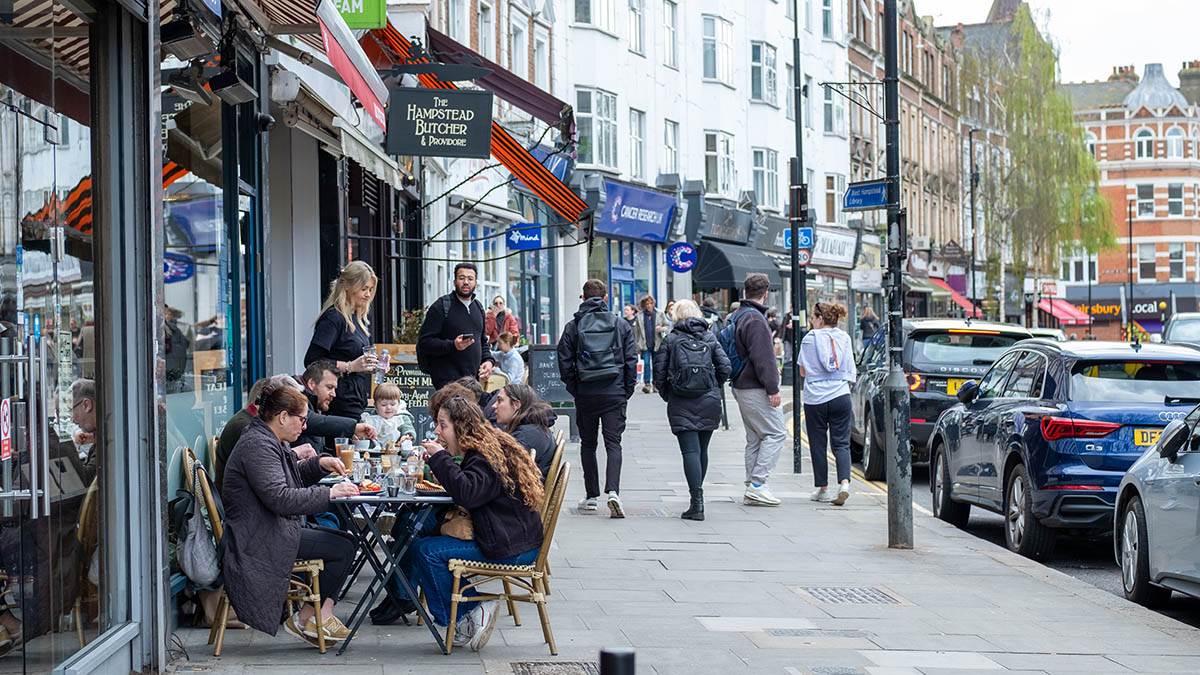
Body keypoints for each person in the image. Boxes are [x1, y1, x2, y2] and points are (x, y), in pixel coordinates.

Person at [220, 381, 361, 645]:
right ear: (283, 416)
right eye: (302, 420)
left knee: (346, 541)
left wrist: (319, 464)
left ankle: (313, 617)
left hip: (267, 529)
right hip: (256, 539)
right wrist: (329, 493)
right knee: (343, 547)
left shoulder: (268, 438)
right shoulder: (258, 446)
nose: (305, 426)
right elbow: (282, 499)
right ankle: (310, 618)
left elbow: (290, 478)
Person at [412, 393, 544, 652]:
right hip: (514, 537)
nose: (438, 431)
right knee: (424, 534)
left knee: (425, 551)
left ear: (461, 427)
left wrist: (440, 457)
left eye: (443, 425)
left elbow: (468, 494)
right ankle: (463, 615)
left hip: (512, 547)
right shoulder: (487, 445)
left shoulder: (484, 456)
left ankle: (469, 612)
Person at [557, 279, 637, 518]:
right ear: (605, 299)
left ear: (583, 298)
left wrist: (576, 388)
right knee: (613, 443)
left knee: (588, 444)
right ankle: (613, 492)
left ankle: (591, 496)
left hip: (586, 393)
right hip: (614, 392)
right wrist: (625, 391)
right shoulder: (621, 324)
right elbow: (631, 361)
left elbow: (564, 362)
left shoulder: (574, 326)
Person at [653, 299, 731, 521]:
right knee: (702, 450)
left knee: (690, 452)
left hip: (681, 400)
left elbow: (658, 374)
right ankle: (697, 500)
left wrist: (669, 394)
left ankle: (696, 503)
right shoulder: (709, 337)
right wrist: (713, 385)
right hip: (709, 400)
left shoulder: (671, 339)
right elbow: (726, 367)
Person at [729, 273, 787, 507]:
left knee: (754, 438)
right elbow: (763, 358)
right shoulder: (755, 320)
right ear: (765, 293)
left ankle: (751, 485)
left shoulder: (738, 315)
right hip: (754, 386)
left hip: (739, 384)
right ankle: (757, 484)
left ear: (745, 291)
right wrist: (773, 388)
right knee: (776, 433)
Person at [304, 261, 380, 420]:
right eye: (363, 288)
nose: (368, 294)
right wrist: (350, 366)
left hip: (356, 398)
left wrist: (370, 365)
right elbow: (312, 361)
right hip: (337, 400)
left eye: (371, 290)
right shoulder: (334, 318)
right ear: (347, 286)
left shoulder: (358, 319)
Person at [800, 302, 858, 506]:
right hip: (840, 395)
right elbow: (851, 368)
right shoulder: (844, 337)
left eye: (813, 318)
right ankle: (844, 484)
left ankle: (823, 489)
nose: (811, 322)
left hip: (815, 398)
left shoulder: (809, 339)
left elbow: (802, 371)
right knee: (842, 443)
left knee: (817, 443)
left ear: (820, 319)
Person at [216, 375, 316, 490]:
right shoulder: (249, 430)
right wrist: (295, 453)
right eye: (290, 403)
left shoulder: (257, 427)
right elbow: (275, 488)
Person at [417, 263, 496, 390]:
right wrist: (453, 345)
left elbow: (482, 342)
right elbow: (425, 343)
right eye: (461, 278)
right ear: (454, 281)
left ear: (475, 282)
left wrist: (488, 361)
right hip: (447, 384)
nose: (466, 282)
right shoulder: (441, 306)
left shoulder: (478, 308)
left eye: (470, 279)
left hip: (473, 384)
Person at [297, 361, 376, 456]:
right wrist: (353, 427)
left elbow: (318, 450)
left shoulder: (314, 402)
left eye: (334, 389)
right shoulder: (293, 394)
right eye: (329, 387)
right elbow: (308, 420)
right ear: (312, 383)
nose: (333, 394)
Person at [493, 383, 556, 479]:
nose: (494, 406)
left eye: (499, 401)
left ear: (516, 405)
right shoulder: (534, 427)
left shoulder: (525, 436)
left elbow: (501, 470)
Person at [637, 295, 670, 393]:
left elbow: (667, 326)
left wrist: (662, 329)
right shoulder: (640, 315)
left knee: (656, 365)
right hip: (645, 344)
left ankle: (656, 384)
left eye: (651, 303)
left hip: (657, 343)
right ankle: (647, 384)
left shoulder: (659, 313)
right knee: (646, 364)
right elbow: (636, 332)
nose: (649, 305)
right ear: (644, 305)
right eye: (647, 303)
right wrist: (637, 345)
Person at [70, 379, 100, 485]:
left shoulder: (105, 442)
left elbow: (85, 480)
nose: (72, 419)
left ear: (87, 405)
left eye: (71, 410)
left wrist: (65, 448)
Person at [622, 304, 648, 385]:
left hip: (635, 345)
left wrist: (640, 344)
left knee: (634, 362)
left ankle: (635, 378)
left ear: (633, 311)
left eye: (627, 310)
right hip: (625, 345)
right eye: (625, 310)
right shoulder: (622, 321)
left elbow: (641, 333)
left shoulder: (638, 320)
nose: (625, 311)